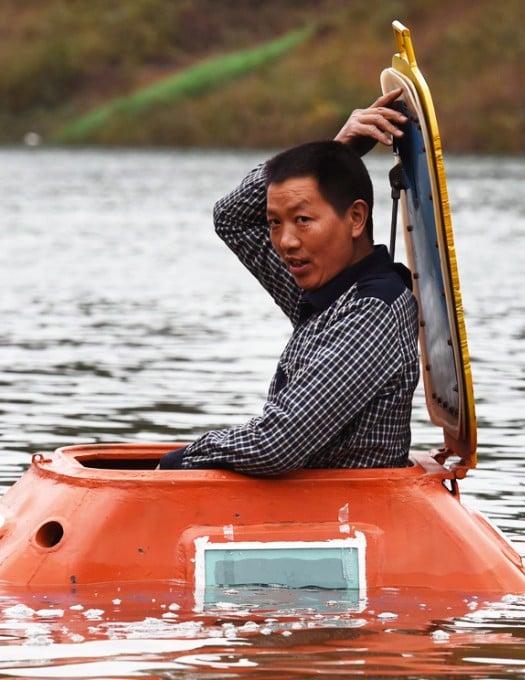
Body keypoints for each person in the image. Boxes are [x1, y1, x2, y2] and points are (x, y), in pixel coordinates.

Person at [159, 90, 417, 476]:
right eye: (275, 223)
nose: (285, 242)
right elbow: (232, 218)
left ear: (355, 219)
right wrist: (334, 151)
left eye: (303, 220)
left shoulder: (371, 311)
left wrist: (179, 460)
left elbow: (276, 444)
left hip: (344, 507)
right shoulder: (320, 291)